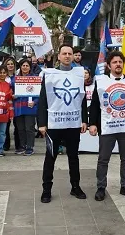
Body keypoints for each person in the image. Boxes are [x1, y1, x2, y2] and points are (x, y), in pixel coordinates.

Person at [88, 51, 125, 201]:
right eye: (114, 62)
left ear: (123, 64)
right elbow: (94, 105)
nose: (118, 64)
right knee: (103, 159)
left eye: (120, 62)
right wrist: (92, 123)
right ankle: (101, 187)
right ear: (108, 65)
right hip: (107, 127)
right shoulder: (101, 81)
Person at [38, 45, 88, 203]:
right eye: (64, 53)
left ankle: (75, 187)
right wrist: (42, 123)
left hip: (73, 123)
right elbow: (43, 100)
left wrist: (84, 120)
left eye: (70, 54)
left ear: (73, 56)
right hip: (54, 124)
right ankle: (46, 190)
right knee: (50, 157)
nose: (67, 56)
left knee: (73, 157)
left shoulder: (79, 74)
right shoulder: (49, 74)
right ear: (58, 56)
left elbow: (82, 98)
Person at [13, 59, 38, 155]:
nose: (25, 67)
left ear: (30, 67)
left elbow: (39, 94)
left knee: (29, 128)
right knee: (20, 128)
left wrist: (35, 102)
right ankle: (22, 146)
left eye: (27, 66)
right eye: (23, 65)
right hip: (18, 107)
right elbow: (11, 90)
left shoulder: (35, 78)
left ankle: (30, 147)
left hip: (30, 108)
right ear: (20, 67)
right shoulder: (15, 79)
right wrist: (13, 95)